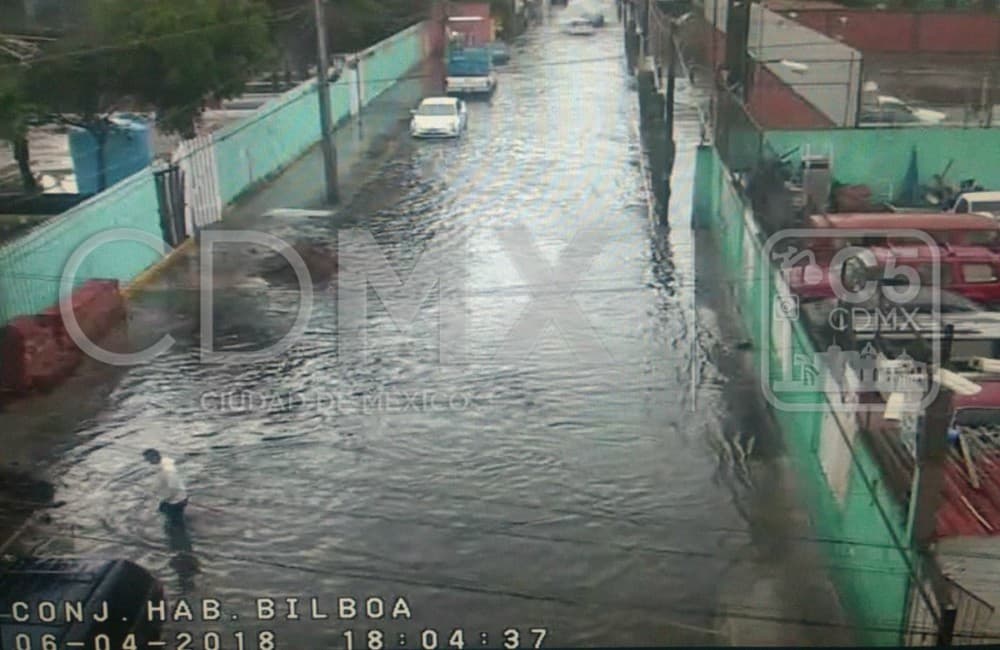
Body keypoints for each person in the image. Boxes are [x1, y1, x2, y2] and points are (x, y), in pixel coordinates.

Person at [143, 449, 188, 523]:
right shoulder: (165, 462)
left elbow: (174, 489)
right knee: (167, 512)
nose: (148, 462)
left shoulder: (167, 470)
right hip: (176, 498)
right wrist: (153, 490)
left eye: (148, 459)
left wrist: (161, 498)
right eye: (146, 459)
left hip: (176, 501)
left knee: (174, 521)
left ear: (155, 457)